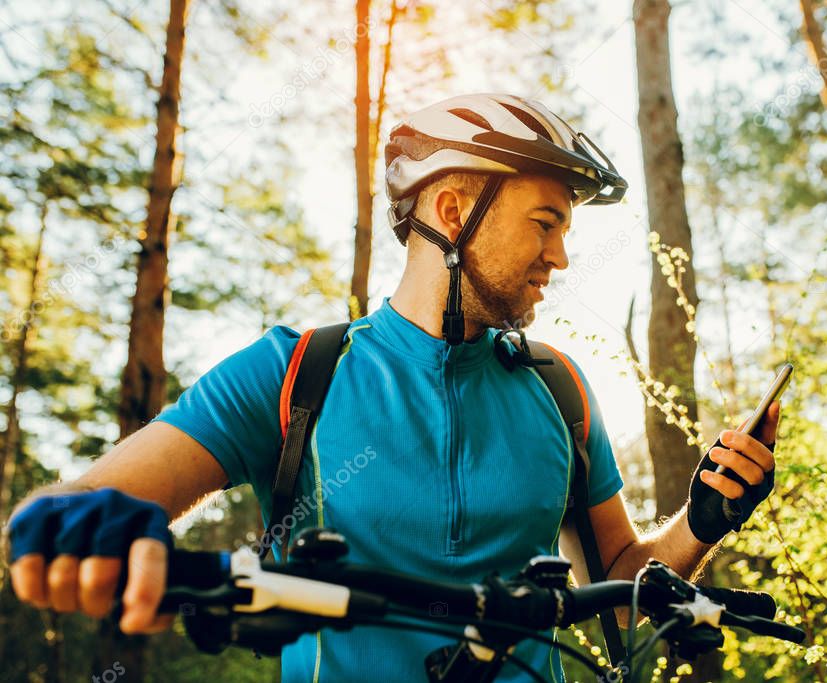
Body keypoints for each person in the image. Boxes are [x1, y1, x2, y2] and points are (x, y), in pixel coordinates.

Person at [5, 93, 780, 682]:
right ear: (451, 211)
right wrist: (79, 523)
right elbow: (68, 506)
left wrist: (706, 517)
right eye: (545, 223)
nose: (561, 257)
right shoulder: (299, 370)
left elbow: (620, 576)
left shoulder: (559, 386)